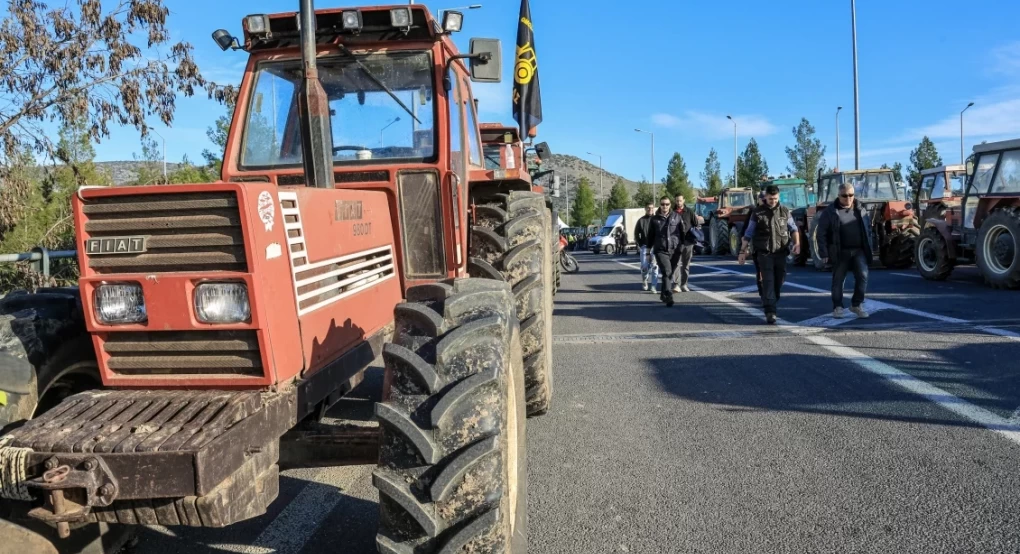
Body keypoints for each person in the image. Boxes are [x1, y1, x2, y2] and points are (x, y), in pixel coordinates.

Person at [737, 185, 801, 324]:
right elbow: (748, 233)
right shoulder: (758, 213)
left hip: (781, 253)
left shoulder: (785, 211)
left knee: (779, 280)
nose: (773, 201)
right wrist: (743, 251)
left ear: (779, 196)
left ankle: (771, 300)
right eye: (770, 198)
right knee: (768, 281)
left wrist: (797, 243)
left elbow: (794, 229)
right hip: (764, 253)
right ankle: (770, 311)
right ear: (765, 197)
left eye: (775, 198)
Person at [815, 182, 873, 319]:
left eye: (851, 195)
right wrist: (823, 253)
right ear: (839, 195)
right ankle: (838, 307)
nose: (848, 198)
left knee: (863, 276)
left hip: (859, 250)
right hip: (840, 251)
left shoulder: (860, 209)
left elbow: (868, 229)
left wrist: (870, 246)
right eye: (844, 195)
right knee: (838, 280)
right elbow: (821, 233)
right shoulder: (830, 212)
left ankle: (856, 305)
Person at [649, 195, 699, 306]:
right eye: (662, 204)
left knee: (669, 273)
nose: (664, 206)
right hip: (661, 250)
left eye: (667, 204)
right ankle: (668, 295)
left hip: (675, 249)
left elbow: (682, 233)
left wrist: (681, 246)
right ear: (660, 205)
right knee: (667, 271)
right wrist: (648, 251)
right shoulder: (654, 219)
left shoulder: (677, 216)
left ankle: (663, 294)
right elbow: (650, 236)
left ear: (670, 205)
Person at [669, 194, 700, 294]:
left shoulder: (689, 212)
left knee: (686, 264)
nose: (678, 203)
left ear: (684, 200)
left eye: (680, 201)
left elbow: (696, 224)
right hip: (676, 242)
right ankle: (676, 284)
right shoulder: (672, 213)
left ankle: (684, 284)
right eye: (677, 201)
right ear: (675, 201)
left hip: (688, 242)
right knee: (676, 264)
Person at [634, 203, 659, 292]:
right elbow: (636, 234)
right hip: (645, 247)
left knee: (655, 267)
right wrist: (641, 244)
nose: (650, 209)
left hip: (655, 247)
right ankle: (645, 280)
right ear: (645, 209)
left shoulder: (657, 219)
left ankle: (653, 286)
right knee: (644, 267)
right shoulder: (641, 220)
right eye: (648, 208)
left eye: (652, 208)